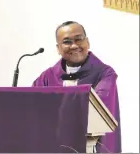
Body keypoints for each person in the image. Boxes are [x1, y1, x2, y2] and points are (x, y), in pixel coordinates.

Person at [32, 21, 122, 153]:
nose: (74, 45)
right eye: (67, 41)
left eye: (79, 39)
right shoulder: (47, 77)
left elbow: (99, 105)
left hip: (92, 147)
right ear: (58, 48)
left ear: (87, 42)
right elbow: (33, 106)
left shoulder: (104, 74)